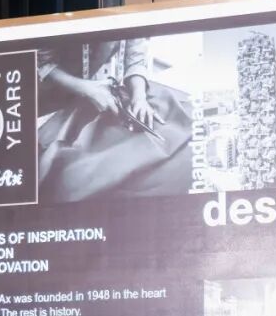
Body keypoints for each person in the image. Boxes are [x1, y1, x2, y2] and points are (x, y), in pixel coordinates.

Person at [36, 38, 192, 202]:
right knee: (67, 174)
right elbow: (42, 64)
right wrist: (87, 89)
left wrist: (139, 97)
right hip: (52, 93)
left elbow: (136, 58)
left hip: (102, 91)